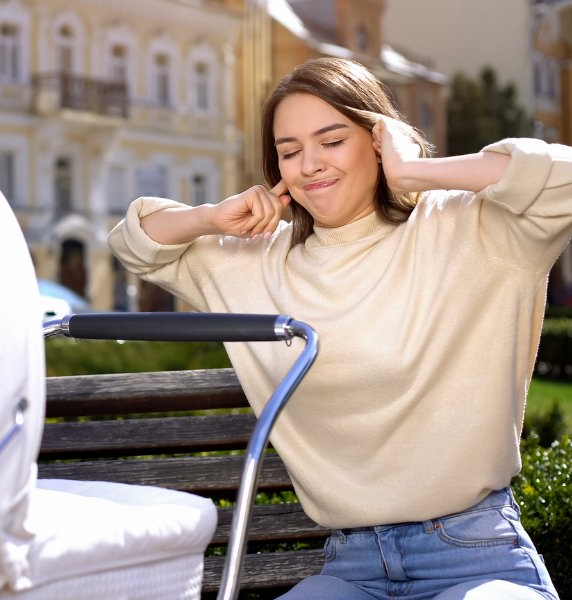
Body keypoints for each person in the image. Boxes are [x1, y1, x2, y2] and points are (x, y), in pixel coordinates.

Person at [108, 57, 569, 599]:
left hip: (474, 556)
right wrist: (211, 216)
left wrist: (417, 173)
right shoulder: (256, 261)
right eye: (290, 151)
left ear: (377, 139)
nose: (310, 165)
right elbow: (133, 244)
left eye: (331, 141)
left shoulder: (474, 227)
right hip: (350, 568)